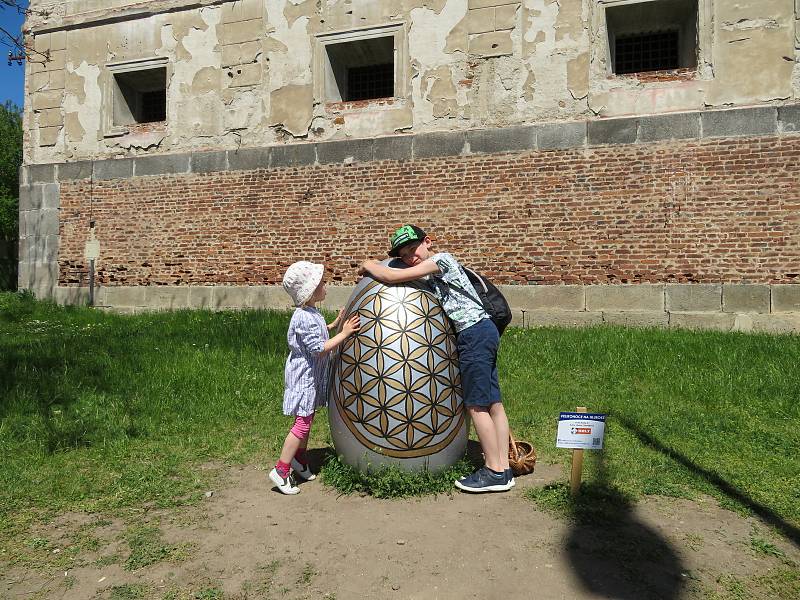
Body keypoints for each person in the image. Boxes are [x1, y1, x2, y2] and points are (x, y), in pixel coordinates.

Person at [359, 225, 513, 492]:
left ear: (427, 242)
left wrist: (369, 264)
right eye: (404, 254)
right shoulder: (435, 273)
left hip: (473, 334)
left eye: (413, 248)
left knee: (477, 405)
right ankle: (504, 468)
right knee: (493, 403)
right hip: (482, 331)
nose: (410, 257)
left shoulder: (441, 260)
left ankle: (493, 472)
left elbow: (394, 277)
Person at [270, 261, 361, 495]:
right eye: (321, 283)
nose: (325, 285)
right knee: (302, 424)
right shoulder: (303, 316)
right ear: (310, 291)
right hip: (304, 378)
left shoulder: (311, 312)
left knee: (307, 421)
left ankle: (300, 460)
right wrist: (344, 333)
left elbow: (317, 334)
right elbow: (319, 348)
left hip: (311, 376)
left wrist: (335, 323)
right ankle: (281, 470)